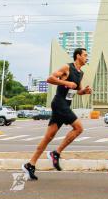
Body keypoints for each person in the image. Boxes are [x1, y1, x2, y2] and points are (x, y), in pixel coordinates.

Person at [23, 47, 93, 180]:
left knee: (48, 137)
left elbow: (77, 90)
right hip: (59, 103)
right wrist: (66, 82)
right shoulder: (67, 67)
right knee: (79, 128)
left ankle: (30, 164)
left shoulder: (80, 73)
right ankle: (56, 153)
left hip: (65, 105)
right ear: (78, 56)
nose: (86, 57)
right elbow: (50, 78)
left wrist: (84, 91)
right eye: (85, 55)